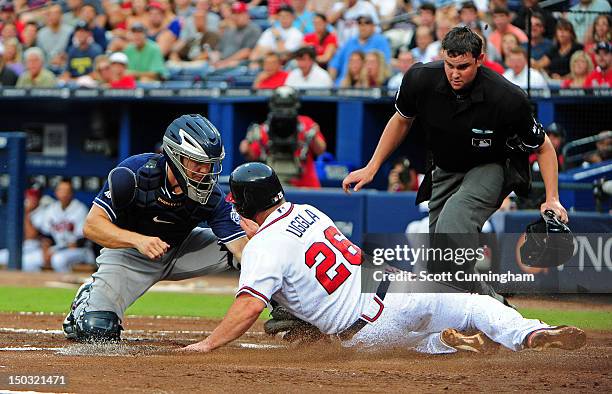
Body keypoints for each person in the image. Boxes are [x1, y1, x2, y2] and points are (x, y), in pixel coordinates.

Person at [179, 162, 586, 354]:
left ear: (247, 204)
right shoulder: (309, 211)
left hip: (365, 331)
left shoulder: (262, 248)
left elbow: (250, 305)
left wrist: (208, 344)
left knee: (407, 348)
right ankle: (530, 332)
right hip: (400, 288)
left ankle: (445, 344)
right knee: (474, 305)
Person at [342, 26, 567, 299]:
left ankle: (492, 311)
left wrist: (552, 198)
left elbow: (543, 148)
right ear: (442, 57)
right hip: (444, 167)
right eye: (449, 65)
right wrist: (372, 166)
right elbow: (401, 119)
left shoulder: (507, 97)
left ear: (480, 59)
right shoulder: (420, 78)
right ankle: (491, 309)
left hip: (492, 166)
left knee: (453, 221)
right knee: (441, 266)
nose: (454, 73)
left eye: (463, 66)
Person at [62, 114, 248, 341]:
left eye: (209, 165)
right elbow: (92, 226)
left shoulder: (212, 194)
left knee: (258, 250)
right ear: (175, 156)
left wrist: (269, 273)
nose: (205, 171)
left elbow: (241, 248)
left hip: (182, 249)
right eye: (197, 163)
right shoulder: (134, 173)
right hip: (129, 254)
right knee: (97, 330)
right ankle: (87, 299)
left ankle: (289, 310)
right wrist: (138, 240)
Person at [239, 86, 327, 188]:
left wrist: (313, 135)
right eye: (280, 106)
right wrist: (246, 146)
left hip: (306, 186)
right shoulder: (265, 128)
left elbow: (320, 150)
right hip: (276, 189)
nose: (284, 110)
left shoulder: (306, 123)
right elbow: (252, 155)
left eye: (287, 106)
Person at [36, 179, 94, 273]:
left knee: (58, 259)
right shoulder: (51, 210)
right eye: (61, 190)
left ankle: (65, 285)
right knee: (30, 261)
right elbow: (46, 236)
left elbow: (80, 241)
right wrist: (45, 251)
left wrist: (54, 251)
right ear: (56, 192)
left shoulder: (80, 209)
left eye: (67, 191)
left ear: (72, 193)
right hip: (57, 249)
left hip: (80, 251)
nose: (64, 194)